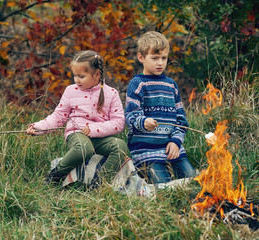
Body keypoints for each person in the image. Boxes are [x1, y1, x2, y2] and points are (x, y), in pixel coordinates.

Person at [26, 50, 129, 186]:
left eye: (81, 76)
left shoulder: (111, 93)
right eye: (75, 75)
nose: (76, 80)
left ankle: (100, 183)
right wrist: (38, 128)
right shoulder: (71, 91)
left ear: (97, 74)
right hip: (77, 134)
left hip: (101, 138)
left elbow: (119, 123)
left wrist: (94, 129)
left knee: (120, 146)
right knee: (83, 148)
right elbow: (58, 117)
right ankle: (56, 176)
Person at [125, 31, 195, 184]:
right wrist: (143, 122)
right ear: (141, 58)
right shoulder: (138, 84)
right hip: (146, 151)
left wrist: (176, 141)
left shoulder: (171, 85)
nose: (160, 63)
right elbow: (130, 116)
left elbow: (181, 120)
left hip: (171, 148)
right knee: (163, 185)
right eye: (155, 58)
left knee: (191, 179)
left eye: (164, 58)